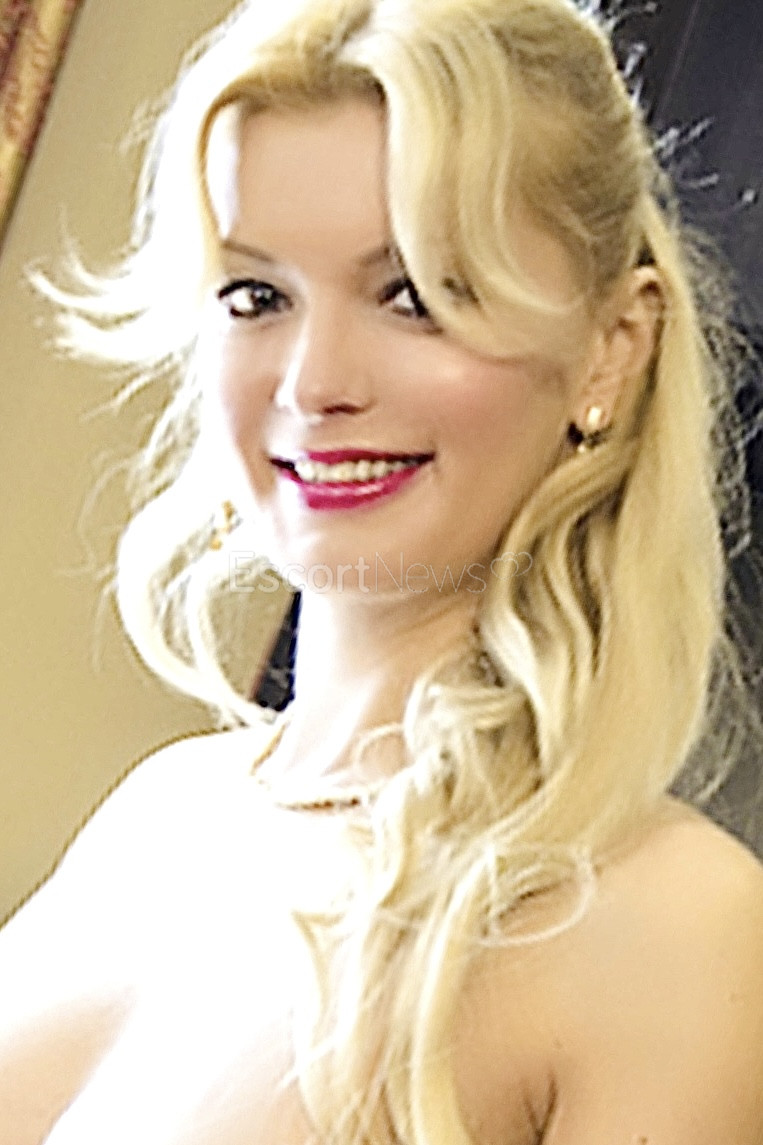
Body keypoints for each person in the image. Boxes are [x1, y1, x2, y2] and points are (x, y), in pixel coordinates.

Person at [2, 0, 763, 1141]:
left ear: (612, 347)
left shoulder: (671, 928)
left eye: (414, 294)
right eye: (257, 295)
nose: (313, 382)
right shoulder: (164, 809)